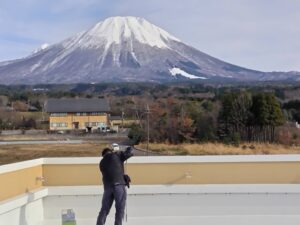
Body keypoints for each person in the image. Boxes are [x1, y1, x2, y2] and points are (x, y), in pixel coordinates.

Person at [96, 146, 134, 225]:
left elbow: (112, 171)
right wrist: (129, 148)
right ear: (110, 151)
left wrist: (123, 176)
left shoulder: (101, 163)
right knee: (120, 209)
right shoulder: (116, 155)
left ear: (103, 155)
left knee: (104, 210)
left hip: (107, 188)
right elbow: (130, 152)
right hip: (119, 186)